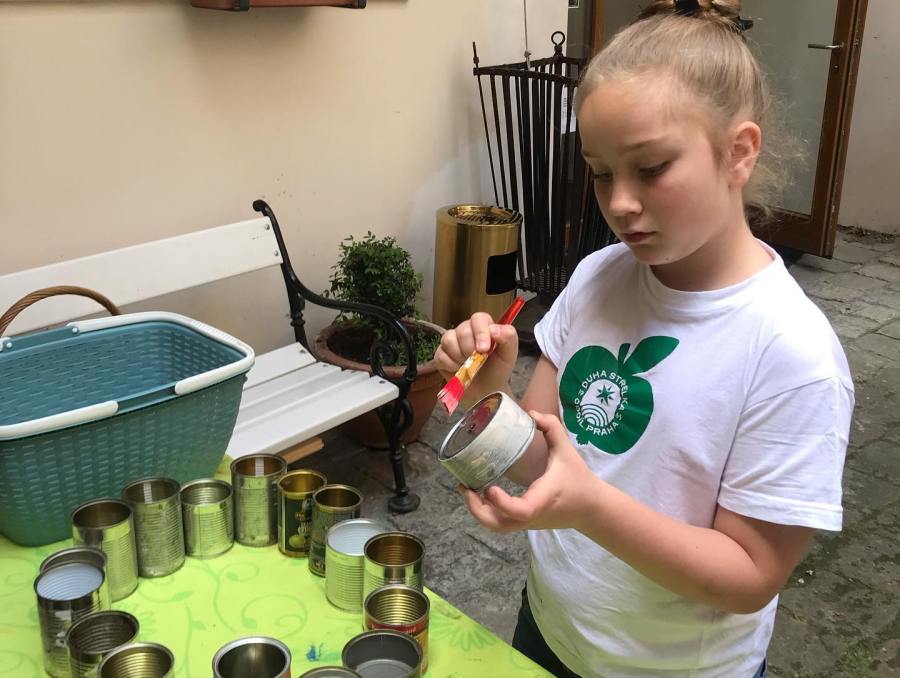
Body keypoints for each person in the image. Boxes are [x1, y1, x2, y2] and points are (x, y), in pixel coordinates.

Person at [433, 1, 854, 676]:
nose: (620, 203)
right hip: (549, 628)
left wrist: (589, 508)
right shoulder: (598, 277)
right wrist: (487, 388)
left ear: (739, 152)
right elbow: (542, 463)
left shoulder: (791, 354)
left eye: (651, 167)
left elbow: (751, 576)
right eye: (601, 172)